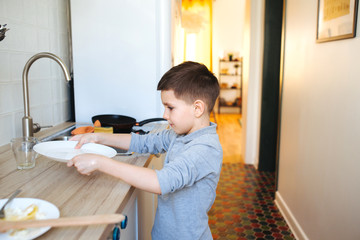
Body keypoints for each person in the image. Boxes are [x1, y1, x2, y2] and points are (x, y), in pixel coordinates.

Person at [67, 61, 223, 240]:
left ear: (197, 108)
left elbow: (160, 182)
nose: (165, 115)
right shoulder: (180, 134)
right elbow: (143, 142)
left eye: (170, 107)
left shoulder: (205, 149)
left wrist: (100, 162)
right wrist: (98, 138)